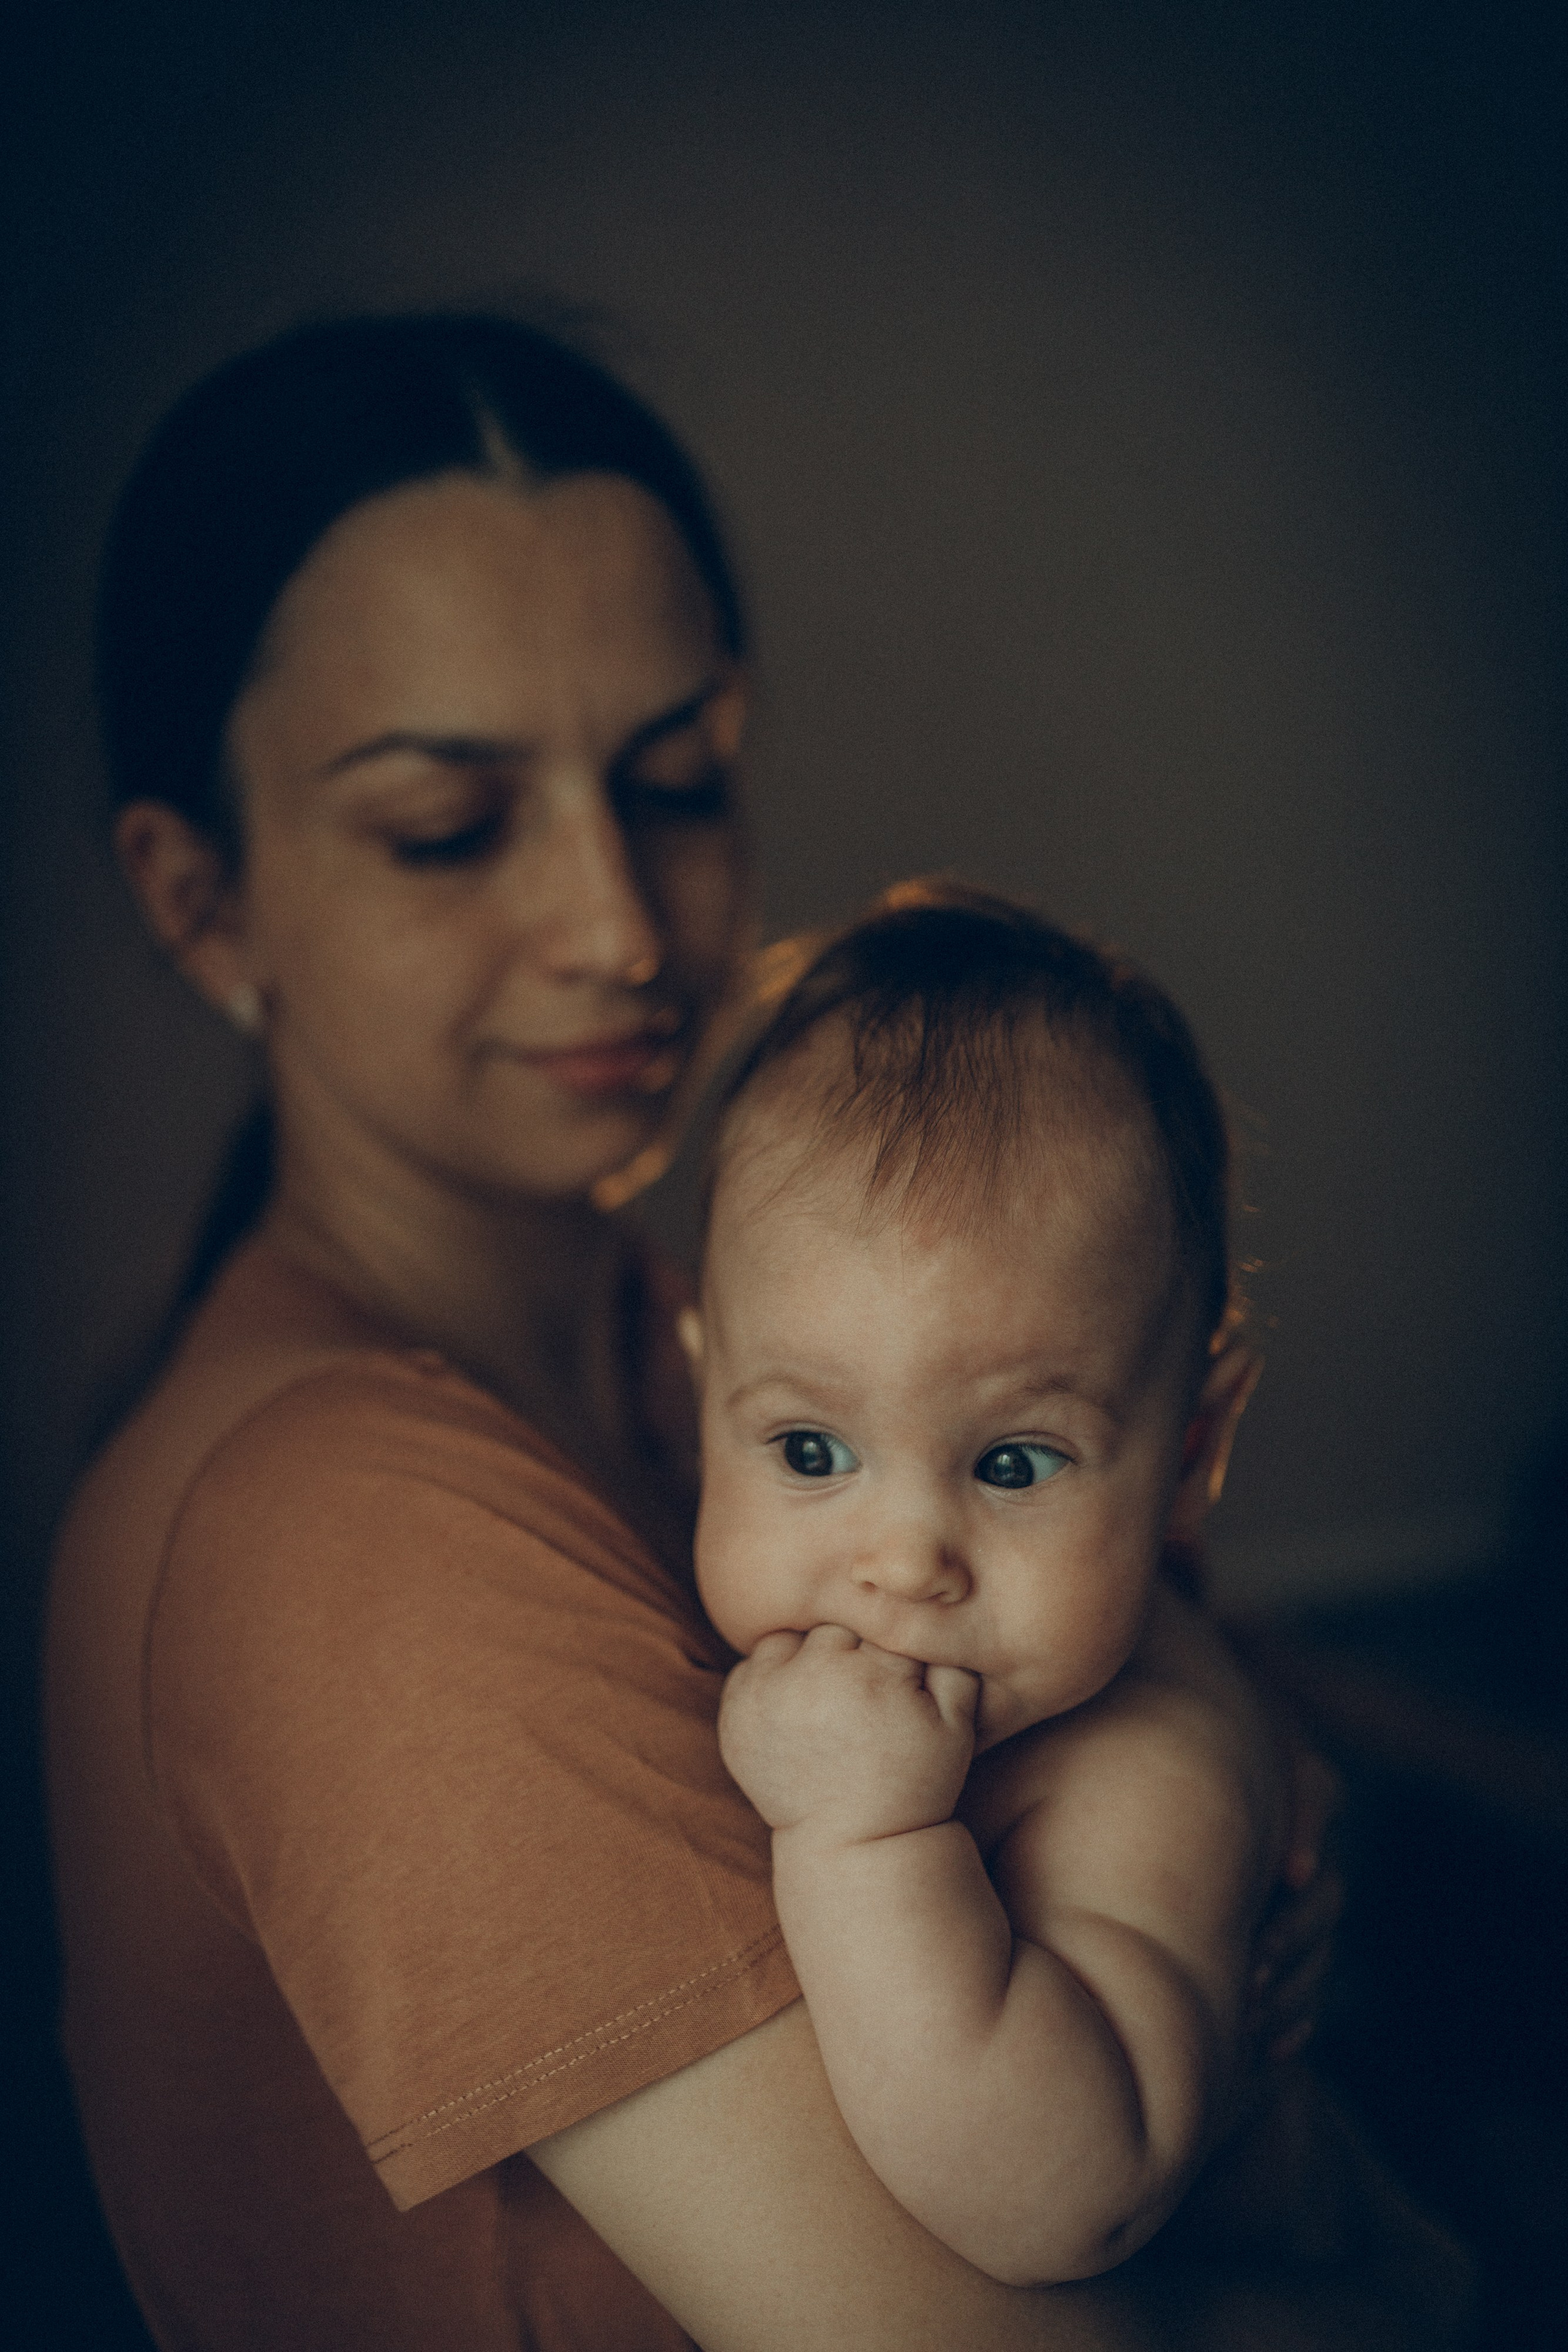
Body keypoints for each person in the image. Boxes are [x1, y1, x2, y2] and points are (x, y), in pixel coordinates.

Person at [46, 313, 1363, 2352]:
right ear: (204, 903)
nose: (621, 924)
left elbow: (1178, 1660)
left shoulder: (741, 1377)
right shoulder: (344, 1525)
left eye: (673, 782)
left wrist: (1224, 1802)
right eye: (447, 829)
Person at [689, 882, 1286, 2286]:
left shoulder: (1148, 1775)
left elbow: (1070, 2195)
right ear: (697, 1388)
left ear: (1193, 1446)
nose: (900, 1563)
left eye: (1014, 1465)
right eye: (810, 1447)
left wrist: (863, 1845)